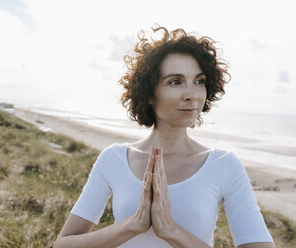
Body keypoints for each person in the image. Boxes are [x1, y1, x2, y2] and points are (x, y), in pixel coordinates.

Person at [53, 25, 275, 248]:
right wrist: (132, 225)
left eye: (199, 81)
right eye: (175, 82)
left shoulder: (224, 165)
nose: (192, 95)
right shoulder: (114, 159)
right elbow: (63, 244)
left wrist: (171, 231)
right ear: (150, 93)